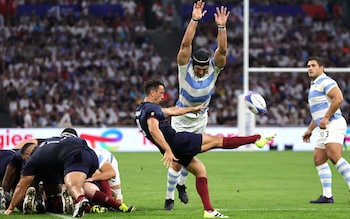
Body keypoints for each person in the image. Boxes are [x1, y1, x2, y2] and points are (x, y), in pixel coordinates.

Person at [135, 79, 275, 218]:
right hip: (177, 142)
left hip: (176, 147)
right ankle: (256, 139)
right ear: (152, 92)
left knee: (200, 170)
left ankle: (209, 211)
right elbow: (154, 130)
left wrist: (192, 109)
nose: (163, 96)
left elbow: (171, 111)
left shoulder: (142, 109)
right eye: (161, 93)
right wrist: (168, 149)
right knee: (216, 141)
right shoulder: (152, 109)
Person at [164, 0, 230, 210]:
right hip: (181, 119)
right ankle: (169, 199)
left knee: (189, 157)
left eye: (204, 68)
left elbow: (222, 50)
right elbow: (185, 45)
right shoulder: (185, 69)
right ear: (193, 64)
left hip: (200, 119)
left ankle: (181, 186)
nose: (201, 71)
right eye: (198, 68)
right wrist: (195, 19)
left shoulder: (214, 69)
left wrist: (221, 26)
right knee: (176, 159)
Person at [3, 128, 99, 218]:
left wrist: (11, 207)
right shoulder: (50, 145)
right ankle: (71, 199)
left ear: (28, 154)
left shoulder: (33, 159)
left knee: (72, 185)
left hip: (75, 156)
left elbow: (21, 186)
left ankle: (79, 199)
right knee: (74, 184)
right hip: (92, 156)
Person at [302, 56, 350, 204]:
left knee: (334, 154)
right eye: (308, 66)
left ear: (321, 68)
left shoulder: (326, 81)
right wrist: (310, 129)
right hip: (325, 125)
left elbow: (338, 98)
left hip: (334, 123)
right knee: (319, 158)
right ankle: (327, 196)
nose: (310, 68)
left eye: (313, 65)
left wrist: (327, 118)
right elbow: (318, 113)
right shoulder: (314, 85)